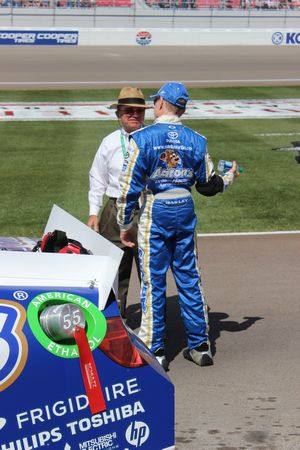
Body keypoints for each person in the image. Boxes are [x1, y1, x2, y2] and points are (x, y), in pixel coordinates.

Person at [117, 82, 239, 370]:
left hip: (155, 211)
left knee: (152, 281)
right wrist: (231, 177)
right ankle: (200, 346)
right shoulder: (197, 139)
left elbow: (128, 188)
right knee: (189, 278)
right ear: (181, 108)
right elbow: (208, 185)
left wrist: (124, 224)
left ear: (160, 104)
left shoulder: (141, 137)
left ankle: (155, 349)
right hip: (185, 210)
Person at [87, 87, 150, 318]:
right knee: (114, 270)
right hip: (115, 209)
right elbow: (97, 178)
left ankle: (152, 326)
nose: (134, 115)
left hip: (146, 209)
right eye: (128, 111)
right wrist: (94, 212)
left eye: (139, 111)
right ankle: (116, 321)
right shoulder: (109, 142)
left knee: (148, 270)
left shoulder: (154, 139)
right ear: (118, 114)